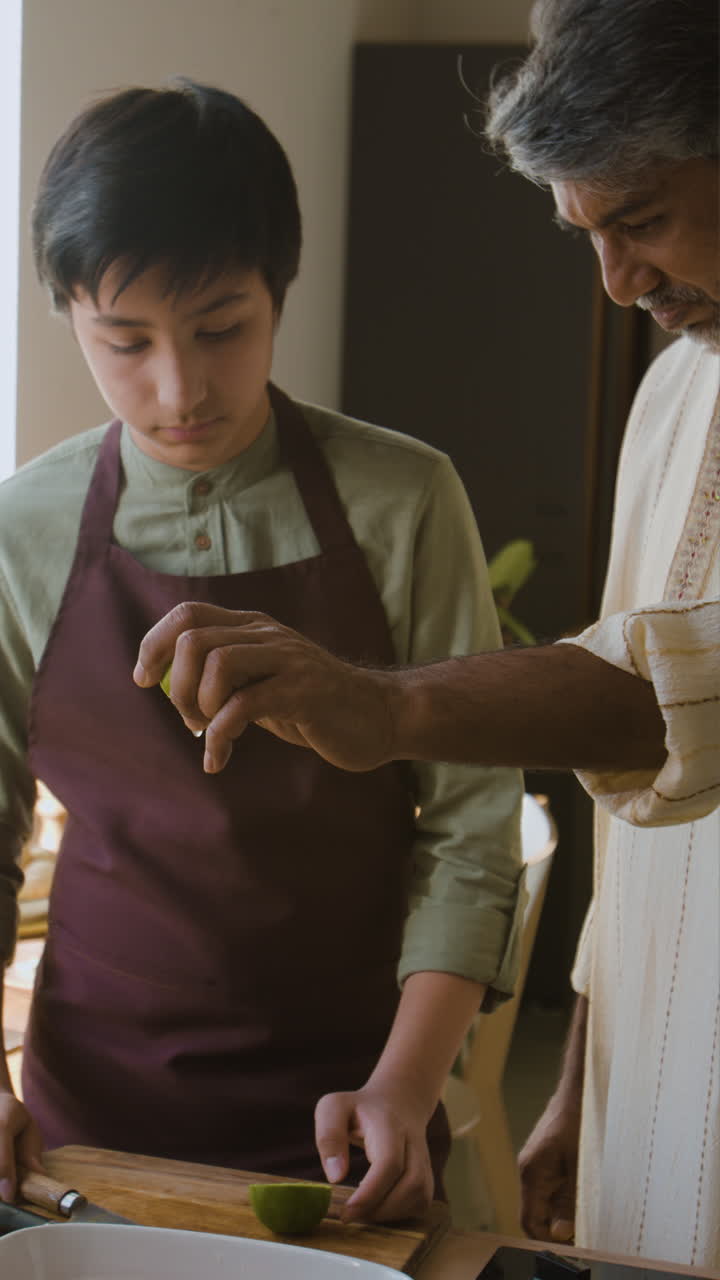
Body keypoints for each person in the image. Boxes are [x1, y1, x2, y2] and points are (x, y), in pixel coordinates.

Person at [134, 0, 720, 1266]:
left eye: (643, 217)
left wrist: (388, 707)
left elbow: (689, 684)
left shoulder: (404, 490)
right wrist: (589, 1076)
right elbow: (637, 828)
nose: (617, 282)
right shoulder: (671, 391)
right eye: (587, 232)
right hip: (653, 1093)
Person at [0, 79, 526, 1219]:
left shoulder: (406, 499)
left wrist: (405, 1079)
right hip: (86, 1111)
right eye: (125, 341)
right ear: (69, 314)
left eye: (222, 328)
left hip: (350, 1098)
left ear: (279, 291)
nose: (179, 388)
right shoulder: (20, 529)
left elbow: (473, 826)